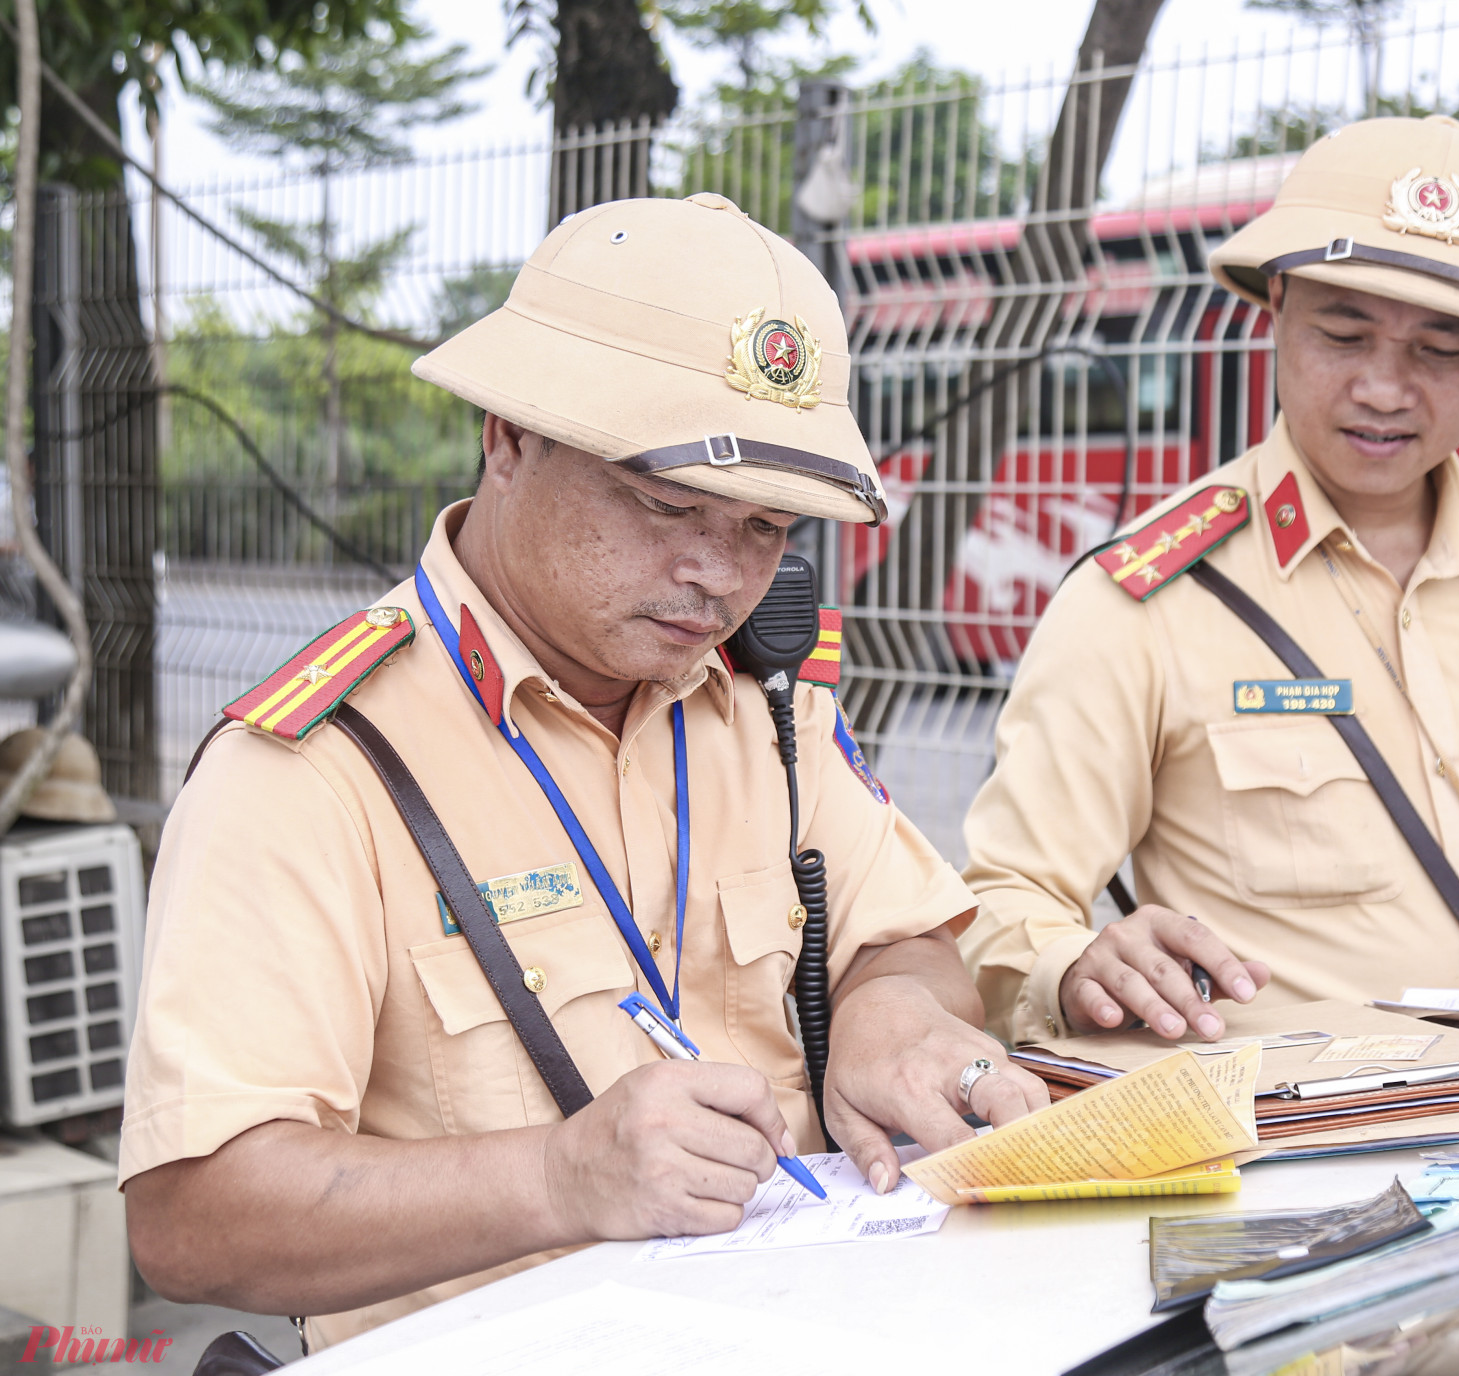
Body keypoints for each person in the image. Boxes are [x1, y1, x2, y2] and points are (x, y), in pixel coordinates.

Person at [119, 194, 1048, 1350]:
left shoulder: (766, 707)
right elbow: (191, 1214)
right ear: (509, 436)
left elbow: (902, 934)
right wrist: (557, 1178)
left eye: (768, 530)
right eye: (667, 505)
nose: (715, 574)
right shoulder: (316, 769)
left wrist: (890, 1011)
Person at [959, 116, 1459, 1050]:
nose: (1384, 387)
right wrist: (1075, 966)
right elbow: (1005, 899)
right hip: (1290, 1147)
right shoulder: (1145, 601)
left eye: (1443, 351)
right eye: (1343, 332)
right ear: (1277, 306)